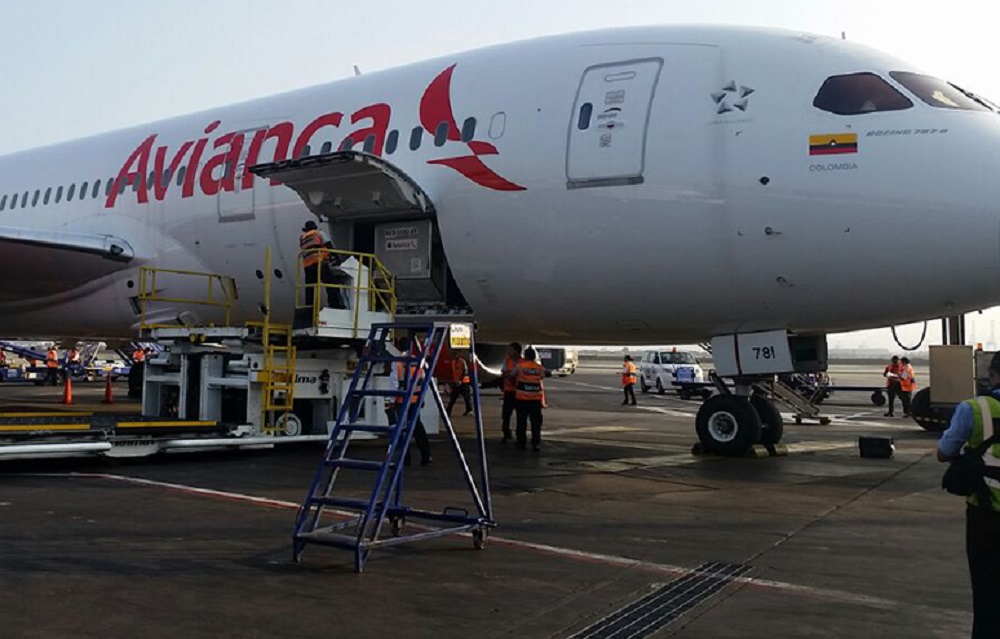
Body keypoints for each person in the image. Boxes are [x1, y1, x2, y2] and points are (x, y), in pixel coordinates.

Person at [937, 351, 1000, 638]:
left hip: (985, 515)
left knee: (986, 590)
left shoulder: (974, 408)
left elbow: (944, 453)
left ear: (992, 375)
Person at [387, 336, 432, 466]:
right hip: (416, 398)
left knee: (401, 428)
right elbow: (423, 380)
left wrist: (391, 400)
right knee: (417, 427)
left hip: (402, 399)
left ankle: (405, 458)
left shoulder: (398, 362)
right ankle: (426, 455)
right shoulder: (418, 361)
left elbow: (394, 383)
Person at [299, 220, 349, 310]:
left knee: (311, 288)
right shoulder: (319, 233)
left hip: (308, 266)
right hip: (319, 262)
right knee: (332, 283)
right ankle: (335, 304)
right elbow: (329, 245)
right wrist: (337, 258)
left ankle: (310, 308)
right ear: (315, 227)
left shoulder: (302, 238)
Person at [511, 347, 545, 452]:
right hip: (535, 400)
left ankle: (521, 443)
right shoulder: (540, 368)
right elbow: (542, 377)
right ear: (534, 357)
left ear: (525, 356)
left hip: (522, 399)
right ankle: (536, 443)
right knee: (536, 423)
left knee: (521, 423)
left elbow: (512, 376)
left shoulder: (520, 366)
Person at [500, 342, 522, 443]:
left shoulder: (523, 362)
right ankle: (506, 434)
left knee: (521, 416)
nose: (509, 352)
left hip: (520, 393)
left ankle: (519, 435)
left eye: (511, 350)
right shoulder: (507, 360)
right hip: (509, 392)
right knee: (505, 415)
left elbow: (509, 374)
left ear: (517, 351)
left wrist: (511, 375)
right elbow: (504, 373)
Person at [446, 351, 473, 417]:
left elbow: (465, 371)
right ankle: (448, 412)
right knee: (452, 399)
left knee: (466, 398)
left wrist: (461, 380)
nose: (455, 356)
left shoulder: (462, 361)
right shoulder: (453, 362)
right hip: (456, 383)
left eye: (456, 354)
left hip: (464, 383)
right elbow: (452, 372)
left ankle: (469, 410)